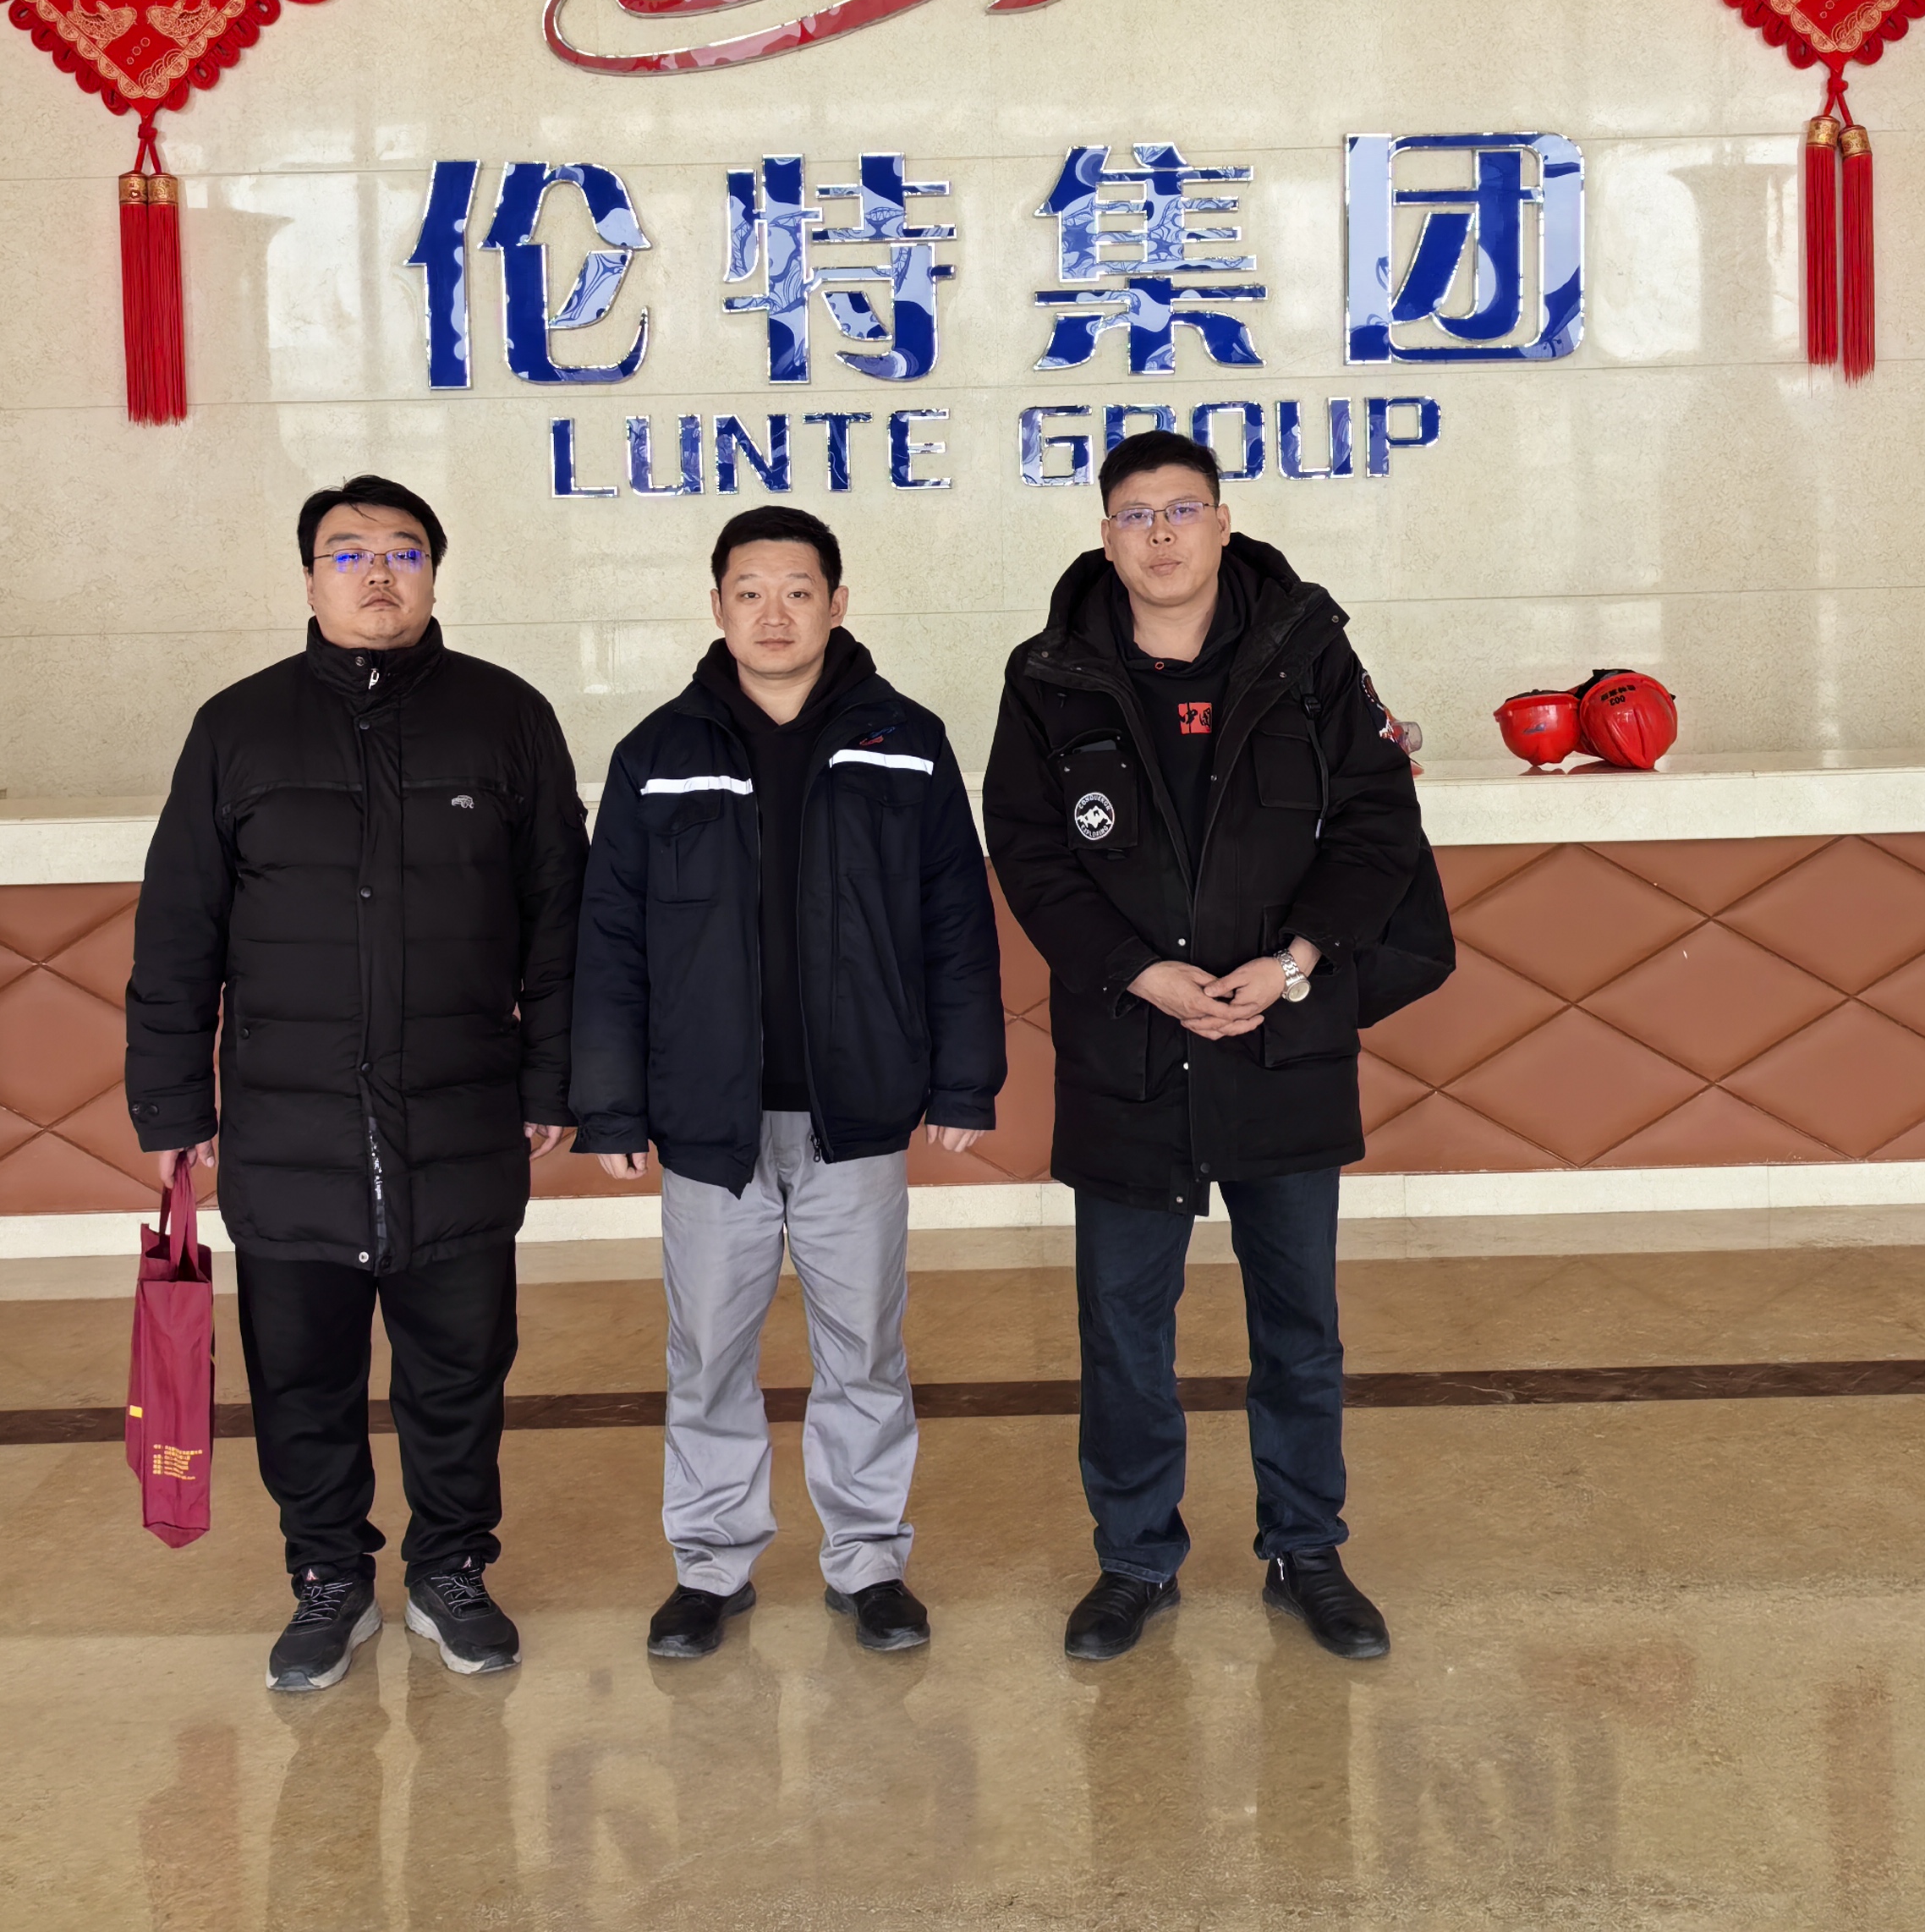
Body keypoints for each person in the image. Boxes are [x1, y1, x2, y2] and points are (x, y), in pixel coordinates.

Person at [983, 430, 1443, 1664]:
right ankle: (1135, 1559)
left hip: (1283, 1041)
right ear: (1105, 538)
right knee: (1124, 1330)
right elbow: (1029, 852)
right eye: (1136, 515)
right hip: (1129, 1050)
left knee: (1299, 1323)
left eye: (1182, 510)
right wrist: (1141, 972)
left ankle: (1308, 1552)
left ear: (1224, 522)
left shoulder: (1308, 654)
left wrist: (1295, 963)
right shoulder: (1050, 676)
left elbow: (1378, 825)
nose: (1162, 535)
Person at [125, 475, 585, 1692]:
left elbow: (562, 921)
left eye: (403, 551)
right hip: (290, 1124)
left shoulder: (507, 717)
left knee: (460, 1373)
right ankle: (327, 1576)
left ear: (435, 571)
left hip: (462, 1109)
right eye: (348, 553)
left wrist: (554, 1078)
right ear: (309, 578)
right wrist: (172, 1106)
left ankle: (451, 1570)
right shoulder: (237, 727)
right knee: (301, 1378)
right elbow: (177, 932)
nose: (378, 573)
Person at [572, 505, 1002, 1660]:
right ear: (717, 606)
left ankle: (869, 1563)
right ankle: (710, 1567)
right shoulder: (656, 754)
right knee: (708, 1358)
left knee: (863, 1355)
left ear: (837, 603)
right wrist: (609, 1104)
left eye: (798, 590)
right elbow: (610, 942)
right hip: (706, 1119)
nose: (774, 614)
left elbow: (956, 924)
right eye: (750, 591)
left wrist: (965, 1080)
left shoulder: (904, 741)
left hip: (852, 1116)